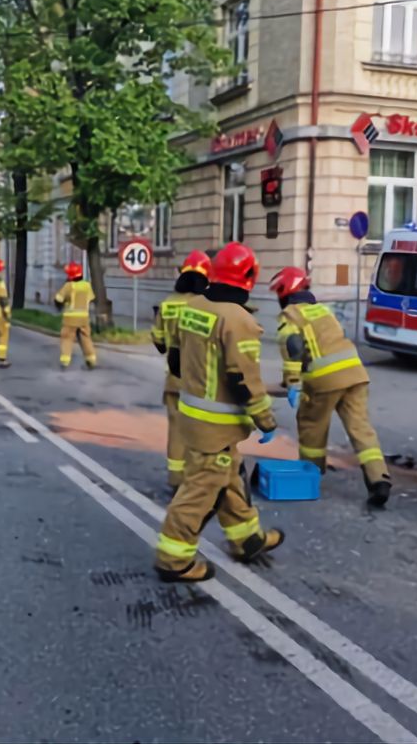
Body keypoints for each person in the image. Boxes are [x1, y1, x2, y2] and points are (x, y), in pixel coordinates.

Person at [155, 242, 284, 584]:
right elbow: (243, 379)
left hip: (193, 416)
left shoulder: (193, 307)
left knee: (228, 479)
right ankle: (173, 559)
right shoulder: (239, 320)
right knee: (200, 491)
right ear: (249, 277)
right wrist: (266, 419)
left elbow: (175, 360)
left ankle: (246, 539)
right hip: (218, 424)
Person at [270, 266, 391, 508]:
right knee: (360, 428)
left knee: (311, 424)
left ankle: (311, 474)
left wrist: (292, 383)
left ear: (285, 292)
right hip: (355, 373)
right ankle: (379, 478)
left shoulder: (291, 315)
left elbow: (293, 348)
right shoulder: (323, 310)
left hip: (325, 379)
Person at [151, 250, 212, 492]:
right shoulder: (208, 305)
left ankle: (177, 480)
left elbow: (159, 342)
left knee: (177, 429)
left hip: (176, 379)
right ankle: (200, 480)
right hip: (204, 380)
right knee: (204, 431)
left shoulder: (167, 304)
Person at [54, 262, 97, 370]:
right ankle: (91, 359)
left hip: (70, 318)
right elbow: (91, 299)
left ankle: (65, 361)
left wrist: (60, 306)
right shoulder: (87, 285)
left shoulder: (69, 286)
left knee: (67, 338)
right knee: (86, 338)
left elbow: (58, 299)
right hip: (84, 318)